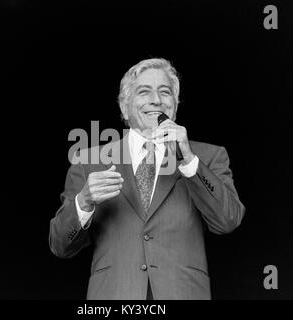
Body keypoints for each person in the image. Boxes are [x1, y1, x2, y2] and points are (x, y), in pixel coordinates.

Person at [49, 58, 245, 300]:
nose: (156, 100)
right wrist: (84, 202)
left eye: (165, 92)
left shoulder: (208, 156)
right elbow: (60, 246)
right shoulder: (89, 160)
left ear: (174, 105)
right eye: (144, 92)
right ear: (124, 108)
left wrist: (189, 162)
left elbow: (228, 220)